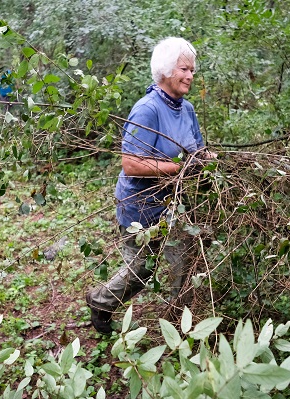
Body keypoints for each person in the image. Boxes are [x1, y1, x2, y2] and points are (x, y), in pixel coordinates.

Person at [85, 37, 216, 334]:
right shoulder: (148, 109)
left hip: (172, 204)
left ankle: (180, 320)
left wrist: (211, 159)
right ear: (167, 71)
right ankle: (101, 301)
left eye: (192, 70)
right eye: (185, 69)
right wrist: (180, 167)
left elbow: (196, 149)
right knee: (142, 269)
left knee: (187, 254)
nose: (191, 76)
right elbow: (131, 163)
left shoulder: (187, 109)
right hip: (139, 205)